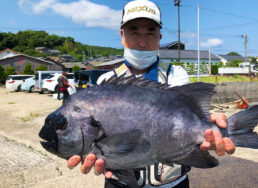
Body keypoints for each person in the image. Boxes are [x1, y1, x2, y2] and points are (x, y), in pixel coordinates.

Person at [67, 0, 235, 187]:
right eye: (134, 32)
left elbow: (186, 116)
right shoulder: (106, 81)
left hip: (172, 184)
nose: (142, 42)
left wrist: (208, 127)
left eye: (150, 32)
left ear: (160, 36)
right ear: (122, 36)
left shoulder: (175, 74)